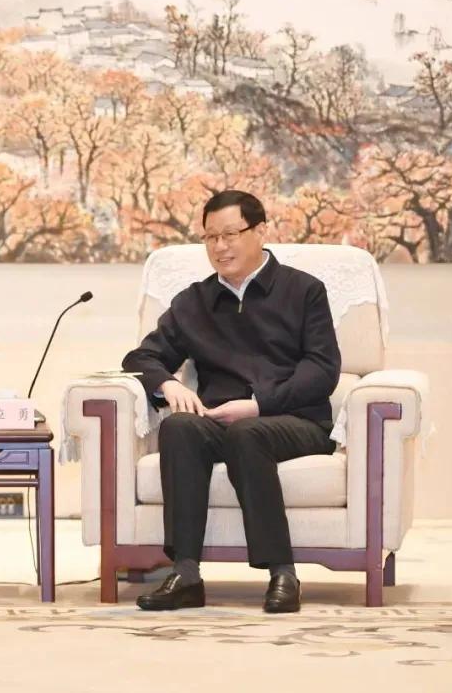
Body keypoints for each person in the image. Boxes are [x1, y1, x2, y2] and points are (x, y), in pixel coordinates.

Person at [123, 190, 340, 613]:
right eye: (210, 237)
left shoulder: (304, 291)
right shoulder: (194, 302)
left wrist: (259, 404)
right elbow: (141, 357)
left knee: (248, 433)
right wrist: (168, 385)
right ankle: (186, 573)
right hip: (219, 420)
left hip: (294, 420)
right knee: (179, 426)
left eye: (230, 234)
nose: (219, 247)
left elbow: (322, 369)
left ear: (260, 231)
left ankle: (283, 573)